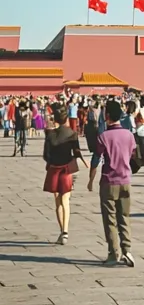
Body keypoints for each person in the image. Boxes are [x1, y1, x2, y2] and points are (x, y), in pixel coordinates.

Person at [88, 99, 136, 266]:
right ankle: (127, 250)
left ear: (107, 116)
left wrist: (91, 178)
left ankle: (113, 253)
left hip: (109, 181)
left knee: (110, 219)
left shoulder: (104, 137)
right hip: (126, 180)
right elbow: (133, 155)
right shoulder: (129, 135)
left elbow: (96, 158)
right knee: (124, 216)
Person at [43, 103, 83, 244]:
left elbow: (46, 156)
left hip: (54, 168)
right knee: (65, 200)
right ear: (66, 119)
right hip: (66, 170)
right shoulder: (72, 134)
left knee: (57, 201)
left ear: (55, 119)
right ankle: (65, 232)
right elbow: (76, 152)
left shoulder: (50, 134)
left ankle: (62, 231)